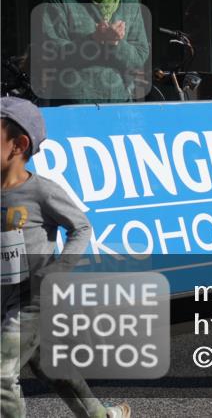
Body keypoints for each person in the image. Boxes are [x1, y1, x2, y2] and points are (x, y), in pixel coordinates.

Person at [0, 97, 131, 418]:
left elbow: (81, 227)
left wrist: (60, 268)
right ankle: (101, 415)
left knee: (2, 376)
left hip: (31, 299)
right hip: (3, 297)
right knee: (54, 369)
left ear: (19, 145)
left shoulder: (41, 191)